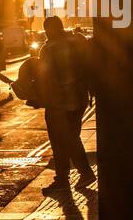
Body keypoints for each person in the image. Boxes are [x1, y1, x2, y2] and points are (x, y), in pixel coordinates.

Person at [38, 15, 95, 193]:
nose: (47, 32)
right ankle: (65, 178)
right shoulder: (78, 40)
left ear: (50, 29)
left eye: (47, 28)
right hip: (80, 98)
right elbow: (89, 64)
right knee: (71, 136)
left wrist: (37, 96)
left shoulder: (49, 48)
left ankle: (79, 174)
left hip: (59, 101)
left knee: (61, 140)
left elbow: (44, 77)